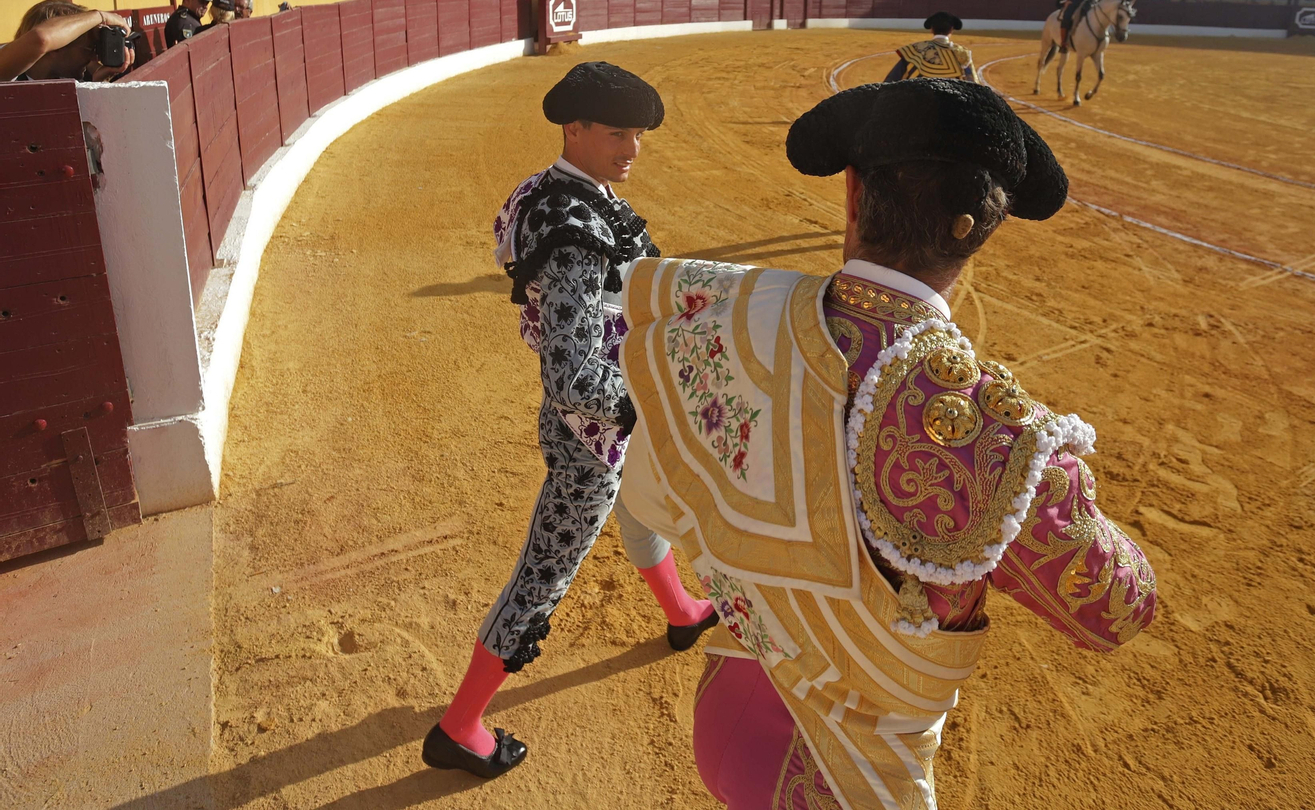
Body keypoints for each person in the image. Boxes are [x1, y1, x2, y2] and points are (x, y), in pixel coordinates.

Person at [616, 78, 1158, 809]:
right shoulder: (995, 438)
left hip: (728, 705)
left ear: (851, 194)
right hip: (841, 772)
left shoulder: (734, 314)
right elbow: (1120, 608)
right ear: (987, 232)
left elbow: (653, 495)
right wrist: (1058, 483)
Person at [422, 62, 718, 780]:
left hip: (609, 417)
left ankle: (681, 612)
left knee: (636, 500)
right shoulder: (580, 231)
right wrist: (641, 407)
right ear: (575, 129)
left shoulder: (552, 191)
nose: (633, 147)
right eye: (618, 132)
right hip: (593, 425)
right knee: (544, 571)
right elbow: (571, 376)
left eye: (639, 134)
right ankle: (459, 727)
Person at [1, 0, 132, 82]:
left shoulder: (67, 82)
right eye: (89, 49)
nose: (93, 57)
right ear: (56, 47)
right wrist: (100, 16)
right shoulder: (9, 71)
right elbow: (41, 38)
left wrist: (98, 83)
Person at [883, 11, 974, 82]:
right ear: (951, 30)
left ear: (932, 29)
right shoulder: (962, 54)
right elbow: (973, 84)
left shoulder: (915, 50)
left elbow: (892, 79)